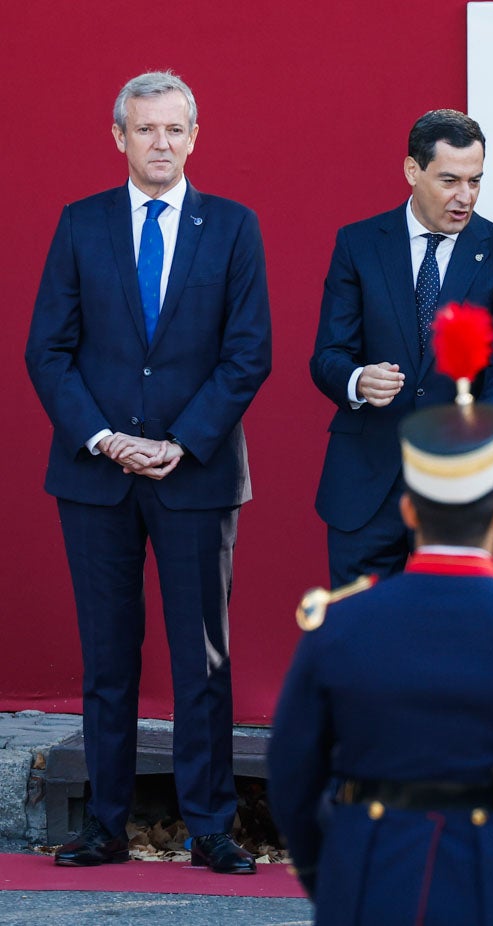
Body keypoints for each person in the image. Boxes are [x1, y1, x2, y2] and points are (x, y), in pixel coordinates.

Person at [24, 71, 272, 873]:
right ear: (119, 137)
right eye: (145, 130)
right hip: (96, 476)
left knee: (202, 659)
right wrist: (102, 436)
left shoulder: (233, 228)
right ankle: (104, 823)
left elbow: (247, 354)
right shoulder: (80, 224)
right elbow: (47, 350)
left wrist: (182, 442)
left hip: (194, 474)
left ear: (193, 137)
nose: (160, 144)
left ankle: (210, 826)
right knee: (108, 656)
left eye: (173, 130)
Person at [269, 394, 493, 924]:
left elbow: (292, 777)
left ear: (409, 509)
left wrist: (331, 869)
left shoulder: (341, 625)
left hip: (369, 877)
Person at [310, 108, 493, 586]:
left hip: (459, 482)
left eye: (475, 181)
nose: (465, 197)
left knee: (447, 636)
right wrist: (356, 380)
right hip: (367, 479)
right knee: (359, 634)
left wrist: (466, 442)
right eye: (450, 180)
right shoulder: (358, 244)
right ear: (413, 170)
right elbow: (328, 355)